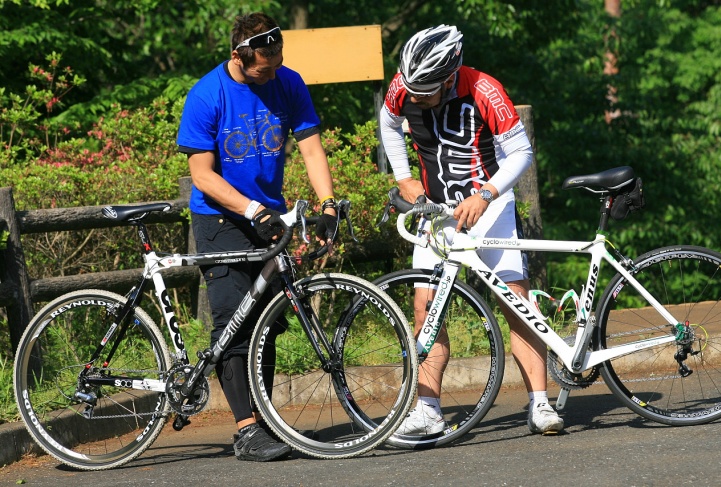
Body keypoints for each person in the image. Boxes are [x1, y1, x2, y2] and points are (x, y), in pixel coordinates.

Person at [379, 25, 564, 435]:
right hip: (436, 210)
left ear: (448, 78)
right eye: (409, 88)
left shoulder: (484, 88)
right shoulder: (405, 84)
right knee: (426, 309)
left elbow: (521, 151)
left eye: (423, 91)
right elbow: (388, 122)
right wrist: (404, 176)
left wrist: (487, 193)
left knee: (515, 303)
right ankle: (427, 411)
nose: (413, 98)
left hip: (490, 207)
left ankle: (540, 404)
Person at [176, 12, 339, 461]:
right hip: (221, 219)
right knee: (235, 322)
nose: (271, 74)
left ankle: (262, 418)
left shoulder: (288, 82)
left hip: (270, 215)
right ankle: (247, 431)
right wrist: (251, 209)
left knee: (267, 324)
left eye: (277, 63)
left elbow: (310, 147)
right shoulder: (207, 95)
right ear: (238, 57)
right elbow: (202, 176)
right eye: (262, 69)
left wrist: (327, 204)